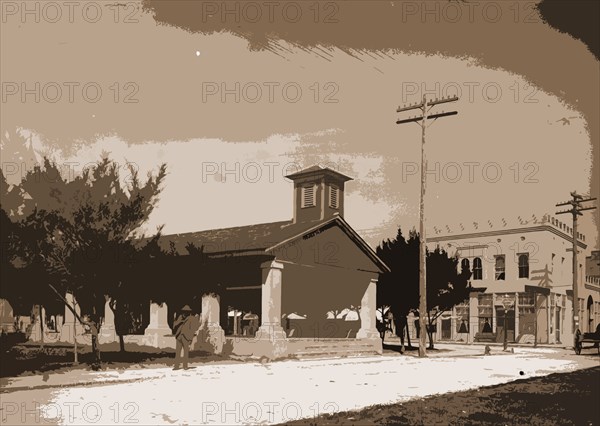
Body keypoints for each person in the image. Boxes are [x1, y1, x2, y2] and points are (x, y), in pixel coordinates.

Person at [173, 305, 196, 370]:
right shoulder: (180, 317)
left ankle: (185, 366)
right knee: (177, 352)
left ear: (189, 312)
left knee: (186, 352)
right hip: (179, 336)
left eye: (186, 312)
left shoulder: (191, 318)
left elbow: (192, 330)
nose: (184, 313)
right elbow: (174, 326)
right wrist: (179, 321)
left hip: (186, 337)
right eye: (183, 312)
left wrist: (190, 339)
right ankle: (176, 366)